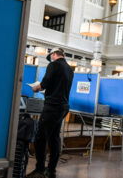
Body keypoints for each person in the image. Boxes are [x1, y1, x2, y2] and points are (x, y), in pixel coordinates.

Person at [27, 48, 74, 178]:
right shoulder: (70, 69)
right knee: (54, 138)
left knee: (40, 138)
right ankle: (51, 169)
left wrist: (37, 88)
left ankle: (40, 170)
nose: (51, 59)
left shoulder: (53, 64)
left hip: (52, 106)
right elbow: (58, 85)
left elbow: (44, 84)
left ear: (53, 54)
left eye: (51, 56)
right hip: (63, 107)